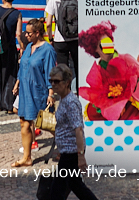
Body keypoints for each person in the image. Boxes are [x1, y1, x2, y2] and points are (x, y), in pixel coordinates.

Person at [42, 63, 99, 200]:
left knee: (57, 191)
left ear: (67, 82)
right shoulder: (63, 99)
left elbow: (78, 129)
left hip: (72, 152)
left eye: (57, 81)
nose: (53, 84)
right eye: (51, 81)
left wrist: (80, 156)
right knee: (75, 185)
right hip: (67, 151)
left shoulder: (71, 103)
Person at [13, 18, 56, 168]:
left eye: (29, 33)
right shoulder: (29, 46)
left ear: (38, 33)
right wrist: (18, 83)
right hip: (25, 90)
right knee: (24, 123)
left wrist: (51, 93)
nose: (26, 35)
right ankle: (27, 157)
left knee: (47, 124)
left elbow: (51, 72)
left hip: (39, 91)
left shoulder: (48, 50)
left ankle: (67, 147)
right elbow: (23, 66)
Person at [45, 0, 80, 82]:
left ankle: (64, 96)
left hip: (60, 39)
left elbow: (48, 23)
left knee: (62, 70)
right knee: (78, 68)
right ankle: (79, 95)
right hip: (75, 38)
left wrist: (50, 38)